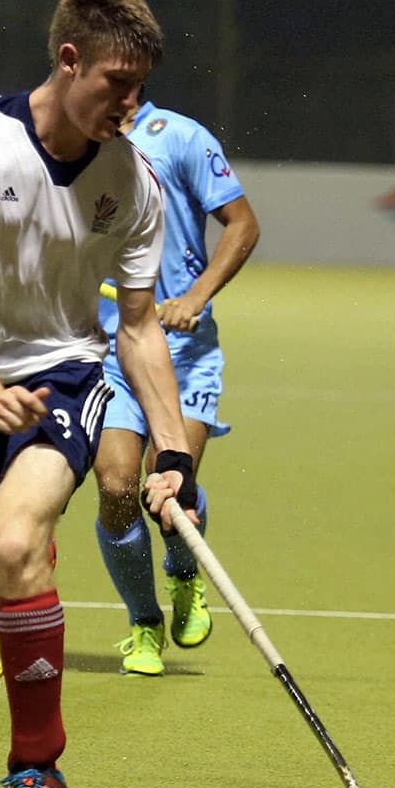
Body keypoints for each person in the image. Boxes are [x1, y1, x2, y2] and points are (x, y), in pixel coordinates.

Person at [0, 0, 198, 788]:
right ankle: (20, 601)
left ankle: (37, 773)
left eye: (142, 85)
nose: (132, 103)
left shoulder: (133, 180)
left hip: (63, 375)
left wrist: (171, 452)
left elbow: (137, 328)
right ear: (69, 60)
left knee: (16, 539)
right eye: (116, 82)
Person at [94, 100, 260, 675]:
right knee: (118, 486)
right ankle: (144, 621)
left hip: (185, 356)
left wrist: (196, 297)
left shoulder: (182, 137)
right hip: (111, 353)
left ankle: (185, 574)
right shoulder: (72, 143)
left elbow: (244, 223)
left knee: (171, 493)